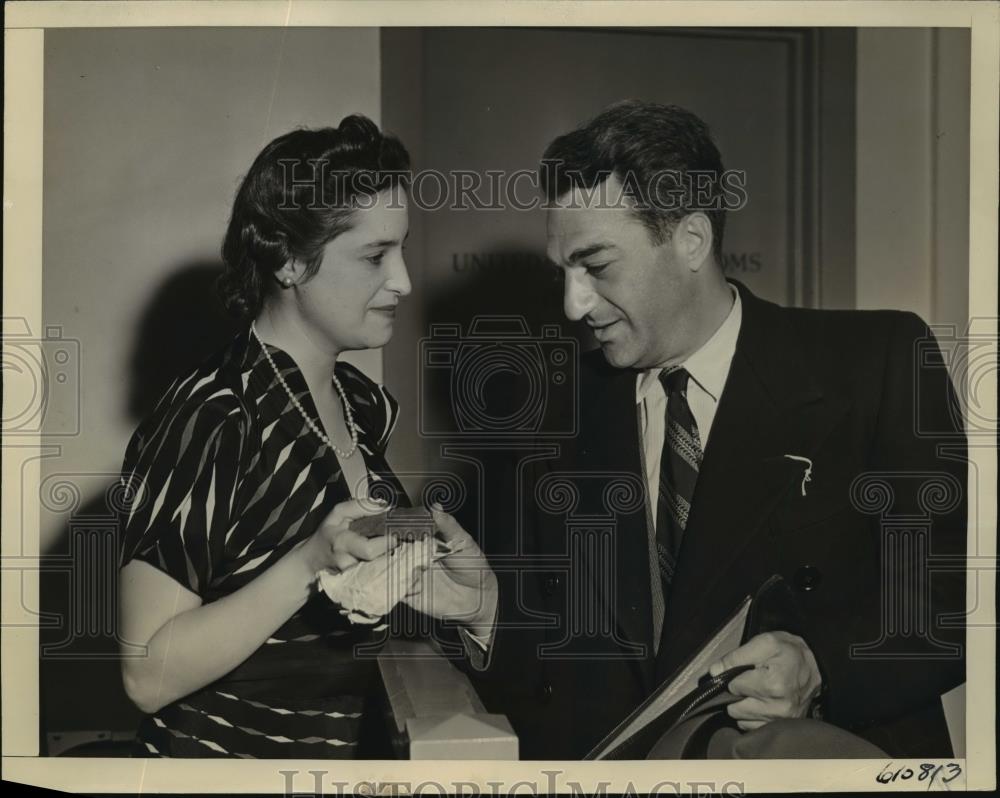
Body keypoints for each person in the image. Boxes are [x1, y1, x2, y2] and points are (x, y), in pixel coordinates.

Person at [468, 100, 967, 759]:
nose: (572, 304)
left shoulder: (878, 361)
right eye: (563, 271)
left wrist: (825, 667)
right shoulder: (554, 409)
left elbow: (954, 601)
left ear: (691, 241)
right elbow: (547, 672)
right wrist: (481, 611)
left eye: (597, 266)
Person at [116, 117, 496, 758]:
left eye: (401, 250)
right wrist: (309, 562)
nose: (403, 280)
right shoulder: (211, 416)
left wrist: (477, 604)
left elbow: (347, 631)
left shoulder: (360, 404)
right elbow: (145, 673)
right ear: (290, 261)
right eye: (375, 256)